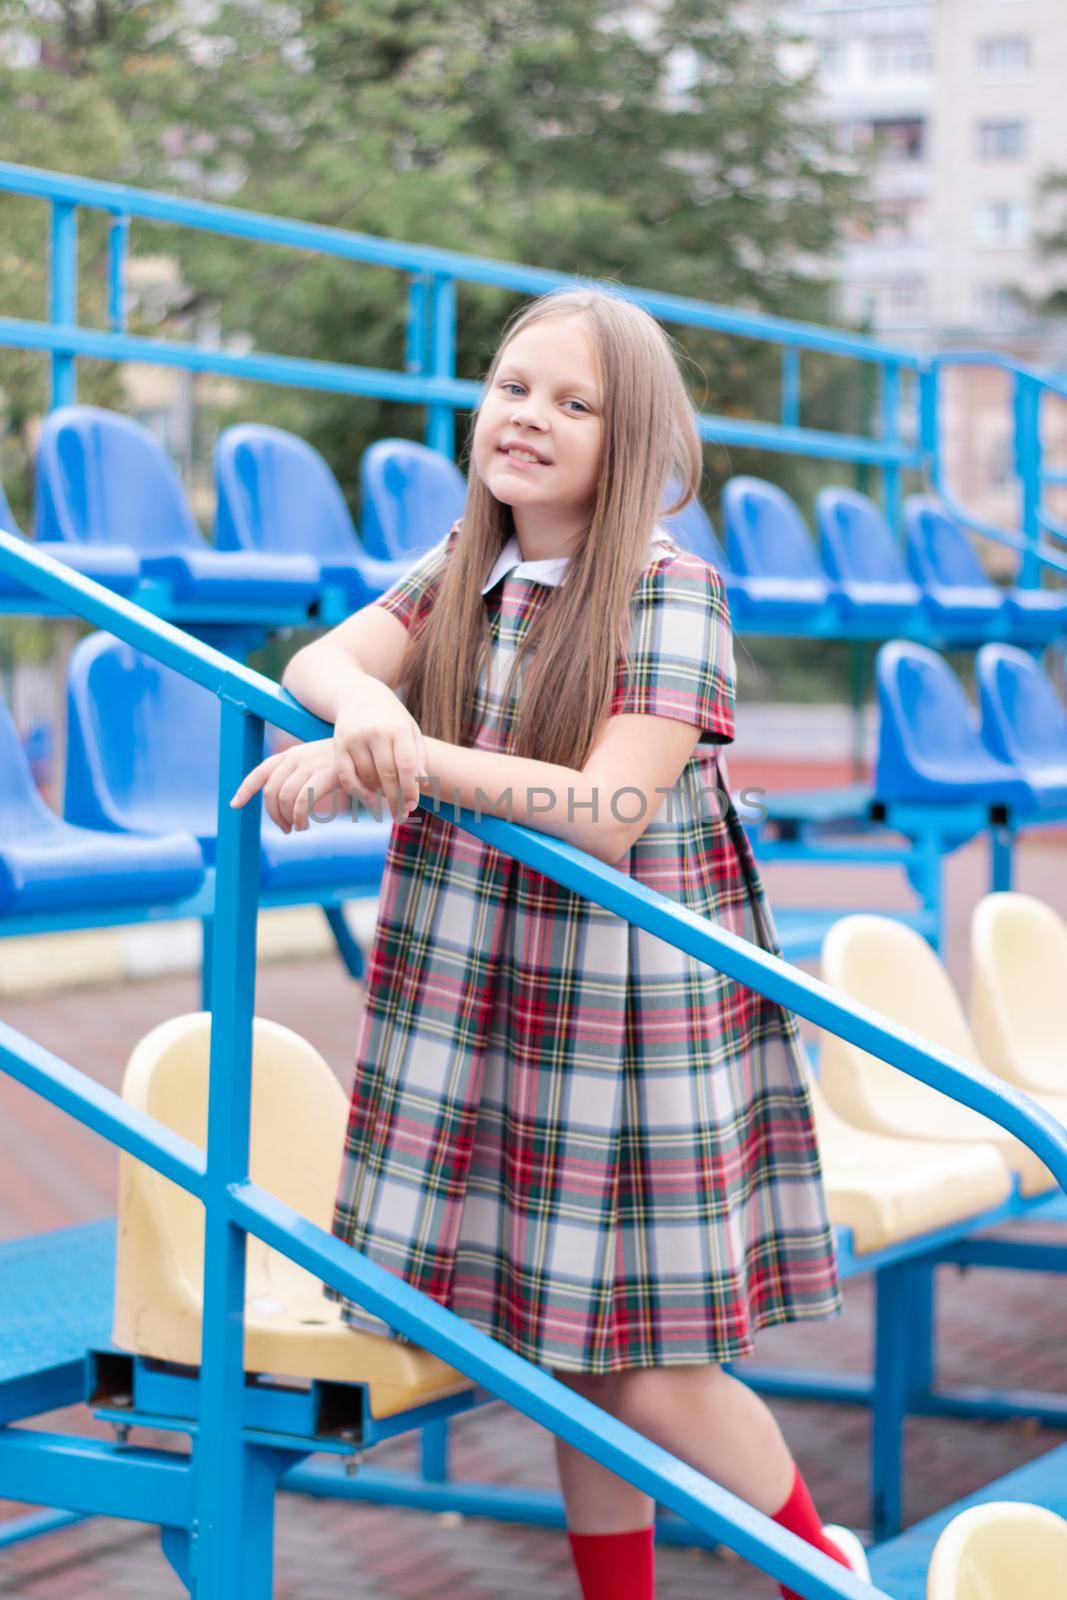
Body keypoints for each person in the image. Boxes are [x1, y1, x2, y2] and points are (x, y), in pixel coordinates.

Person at [230, 286, 869, 1599]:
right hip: (486, 980)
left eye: (575, 404)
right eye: (515, 387)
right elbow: (324, 662)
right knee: (576, 1337)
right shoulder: (475, 552)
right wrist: (364, 719)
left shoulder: (671, 589)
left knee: (647, 1353)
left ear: (627, 441)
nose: (531, 419)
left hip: (622, 1002)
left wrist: (403, 756)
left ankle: (826, 1569)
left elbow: (611, 812)